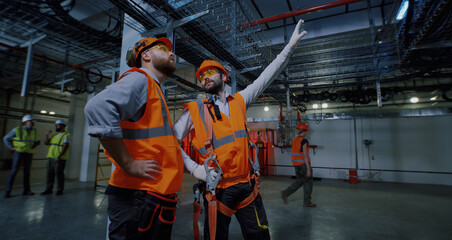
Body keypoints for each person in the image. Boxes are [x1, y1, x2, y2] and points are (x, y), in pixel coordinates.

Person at [174, 20, 307, 240]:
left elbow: (267, 75)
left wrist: (289, 48)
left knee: (260, 236)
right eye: (201, 76)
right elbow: (170, 140)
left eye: (210, 72)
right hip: (218, 190)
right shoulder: (194, 111)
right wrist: (194, 169)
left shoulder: (240, 100)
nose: (205, 76)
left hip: (247, 186)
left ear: (224, 77)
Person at [84, 37, 183, 240]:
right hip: (137, 196)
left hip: (150, 195)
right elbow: (96, 108)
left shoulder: (154, 88)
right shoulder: (140, 79)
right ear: (145, 55)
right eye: (163, 49)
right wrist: (128, 163)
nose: (171, 53)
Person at [3, 114, 40, 198]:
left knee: (27, 172)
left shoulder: (35, 131)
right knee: (14, 171)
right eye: (32, 121)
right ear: (26, 122)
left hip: (29, 153)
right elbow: (5, 138)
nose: (33, 123)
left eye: (33, 122)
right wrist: (11, 147)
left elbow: (31, 141)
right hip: (19, 152)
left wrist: (36, 144)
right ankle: (8, 191)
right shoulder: (17, 130)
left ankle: (26, 191)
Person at [281, 122, 317, 207]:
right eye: (306, 131)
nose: (306, 133)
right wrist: (308, 169)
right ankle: (307, 202)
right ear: (303, 131)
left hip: (296, 165)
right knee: (308, 181)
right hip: (303, 165)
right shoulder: (304, 141)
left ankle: (286, 193)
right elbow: (305, 155)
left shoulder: (295, 140)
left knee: (300, 181)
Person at [41, 120, 71, 196]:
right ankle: (49, 189)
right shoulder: (54, 135)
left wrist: (59, 157)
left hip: (59, 158)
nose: (57, 126)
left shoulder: (66, 135)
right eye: (56, 125)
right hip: (50, 157)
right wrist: (46, 135)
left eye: (59, 125)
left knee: (59, 174)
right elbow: (46, 143)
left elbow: (65, 146)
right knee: (49, 174)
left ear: (64, 126)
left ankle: (59, 189)